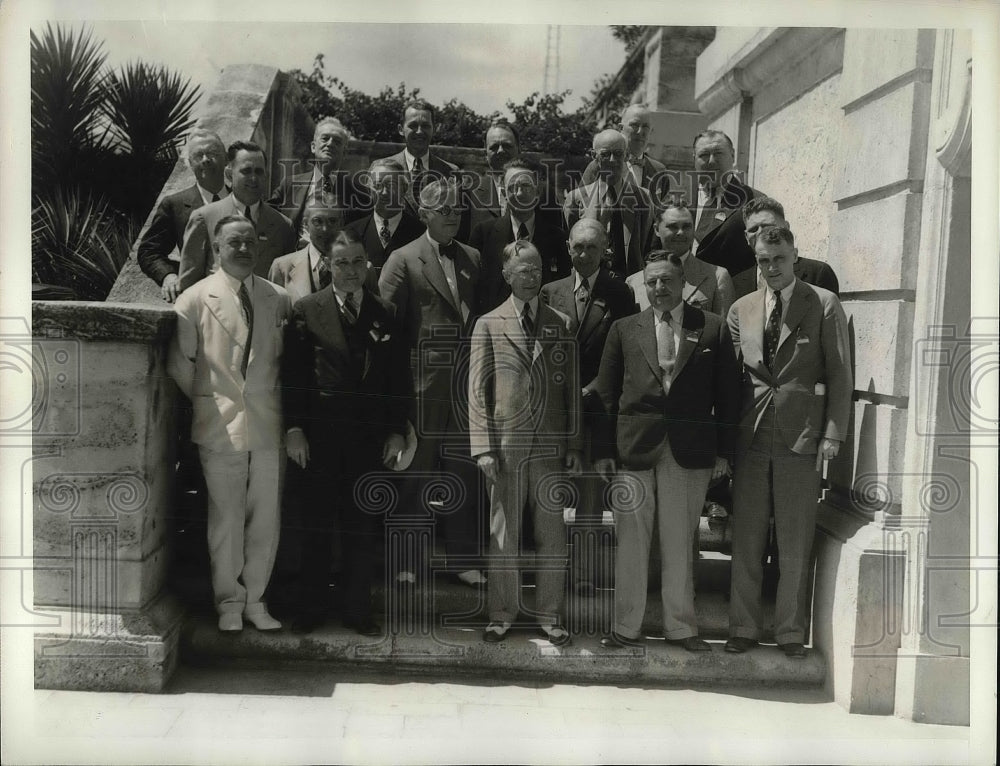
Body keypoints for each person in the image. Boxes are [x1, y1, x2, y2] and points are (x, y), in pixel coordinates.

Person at [593, 251, 739, 651]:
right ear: (644, 284)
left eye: (667, 281)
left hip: (688, 452)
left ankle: (682, 627)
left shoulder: (711, 328)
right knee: (631, 543)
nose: (659, 288)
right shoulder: (624, 329)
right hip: (634, 449)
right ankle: (625, 627)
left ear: (682, 283)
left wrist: (725, 453)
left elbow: (728, 396)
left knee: (679, 541)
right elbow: (606, 396)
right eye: (652, 281)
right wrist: (604, 449)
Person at [724, 226, 852, 659]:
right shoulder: (740, 308)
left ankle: (791, 632)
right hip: (752, 435)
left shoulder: (823, 303)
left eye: (779, 259)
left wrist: (833, 434)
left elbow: (839, 375)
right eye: (763, 260)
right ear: (756, 260)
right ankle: (742, 627)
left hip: (803, 436)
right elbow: (734, 378)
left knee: (796, 538)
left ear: (795, 256)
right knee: (747, 536)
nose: (772, 268)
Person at [282, 230, 412, 635]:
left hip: (367, 440)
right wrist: (295, 429)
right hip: (320, 439)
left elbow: (397, 379)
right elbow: (294, 377)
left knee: (361, 528)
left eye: (358, 262)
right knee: (317, 525)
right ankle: (312, 608)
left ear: (367, 264)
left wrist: (396, 432)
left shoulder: (384, 311)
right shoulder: (307, 310)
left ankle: (358, 610)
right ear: (329, 267)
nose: (351, 271)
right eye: (342, 263)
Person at [167, 215, 292, 632]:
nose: (242, 249)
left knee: (266, 517)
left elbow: (282, 363)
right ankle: (229, 603)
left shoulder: (278, 297)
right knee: (225, 519)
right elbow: (181, 366)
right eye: (232, 242)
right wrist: (211, 401)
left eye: (248, 242)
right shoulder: (194, 299)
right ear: (217, 249)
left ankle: (256, 599)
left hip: (268, 423)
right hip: (219, 425)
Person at [469, 240, 583, 646]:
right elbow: (477, 391)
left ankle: (550, 615)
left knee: (552, 535)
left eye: (536, 269)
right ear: (506, 275)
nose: (531, 276)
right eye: (523, 270)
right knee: (504, 536)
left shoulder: (560, 323)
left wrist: (573, 445)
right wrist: (482, 446)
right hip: (505, 448)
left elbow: (570, 391)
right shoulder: (488, 323)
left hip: (550, 449)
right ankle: (501, 613)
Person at [377, 179, 485, 590]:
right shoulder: (402, 259)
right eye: (444, 210)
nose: (453, 216)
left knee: (464, 472)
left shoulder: (474, 257)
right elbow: (387, 329)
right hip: (420, 388)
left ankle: (463, 558)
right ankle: (405, 560)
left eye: (457, 210)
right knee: (414, 474)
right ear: (423, 215)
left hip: (465, 386)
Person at [539, 218, 637, 595]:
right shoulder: (549, 290)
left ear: (605, 250)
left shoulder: (619, 293)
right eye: (577, 247)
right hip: (554, 408)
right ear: (567, 248)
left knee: (592, 497)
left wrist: (593, 388)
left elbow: (623, 349)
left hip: (596, 408)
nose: (583, 254)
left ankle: (582, 574)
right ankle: (544, 573)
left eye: (591, 248)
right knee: (546, 491)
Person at [178, 141, 297, 292]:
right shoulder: (204, 218)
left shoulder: (282, 225)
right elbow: (188, 285)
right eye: (246, 171)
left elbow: (288, 283)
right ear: (229, 174)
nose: (253, 178)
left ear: (266, 176)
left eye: (259, 172)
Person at [137, 129, 228, 303]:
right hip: (197, 298)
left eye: (212, 153)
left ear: (226, 158)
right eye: (198, 155)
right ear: (189, 163)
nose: (206, 160)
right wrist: (168, 276)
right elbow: (149, 251)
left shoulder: (241, 200)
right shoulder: (174, 205)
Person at [470, 159, 571, 313]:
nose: (519, 193)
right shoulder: (483, 234)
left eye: (525, 186)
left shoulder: (556, 238)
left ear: (537, 192)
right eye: (512, 187)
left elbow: (562, 288)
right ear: (503, 193)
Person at [563, 129, 650, 278]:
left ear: (627, 155)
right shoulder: (576, 199)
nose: (612, 160)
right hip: (589, 280)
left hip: (628, 283)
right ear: (594, 156)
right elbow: (570, 246)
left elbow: (645, 244)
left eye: (618, 154)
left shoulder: (642, 198)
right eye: (605, 154)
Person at [626, 203, 735, 317]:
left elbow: (724, 331)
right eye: (673, 226)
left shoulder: (717, 277)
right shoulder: (634, 282)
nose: (680, 232)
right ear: (657, 229)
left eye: (686, 226)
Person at [688, 130, 759, 298]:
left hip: (730, 297)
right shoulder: (675, 197)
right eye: (704, 155)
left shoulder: (754, 201)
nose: (712, 161)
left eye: (719, 153)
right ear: (694, 159)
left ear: (732, 156)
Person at [268, 117, 355, 238]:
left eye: (337, 141)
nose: (330, 144)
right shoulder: (289, 185)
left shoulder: (356, 193)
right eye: (325, 138)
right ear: (313, 147)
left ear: (344, 153)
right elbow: (265, 216)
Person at [343, 158, 425, 284]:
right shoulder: (351, 233)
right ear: (369, 190)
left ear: (404, 188)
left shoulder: (421, 234)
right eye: (377, 185)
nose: (384, 192)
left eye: (391, 185)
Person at [743, 197, 840, 295]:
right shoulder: (736, 283)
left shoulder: (818, 273)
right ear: (746, 237)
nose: (760, 233)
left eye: (767, 226)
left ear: (786, 228)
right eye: (753, 229)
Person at [581, 104, 670, 209]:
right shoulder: (599, 165)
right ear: (620, 128)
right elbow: (581, 204)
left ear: (651, 131)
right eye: (635, 125)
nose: (640, 131)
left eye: (646, 127)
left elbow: (663, 214)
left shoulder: (659, 170)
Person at [268, 198, 346, 305]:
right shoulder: (282, 268)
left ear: (341, 224)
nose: (325, 228)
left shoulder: (362, 268)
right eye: (317, 221)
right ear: (305, 224)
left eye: (332, 221)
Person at [468, 119, 521, 232]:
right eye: (494, 147)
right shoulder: (469, 193)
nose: (501, 151)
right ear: (485, 154)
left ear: (519, 149)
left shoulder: (543, 193)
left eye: (507, 145)